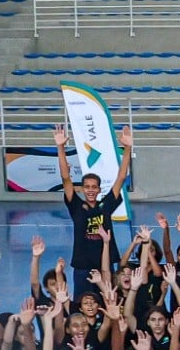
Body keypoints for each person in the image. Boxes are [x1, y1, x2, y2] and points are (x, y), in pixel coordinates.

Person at [53, 122, 130, 292]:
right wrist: (60, 147)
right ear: (82, 188)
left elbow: (121, 177)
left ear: (99, 189)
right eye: (86, 186)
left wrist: (127, 149)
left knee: (107, 301)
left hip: (105, 265)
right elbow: (65, 178)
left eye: (94, 187)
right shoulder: (76, 205)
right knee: (82, 304)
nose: (90, 190)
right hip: (82, 267)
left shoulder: (106, 205)